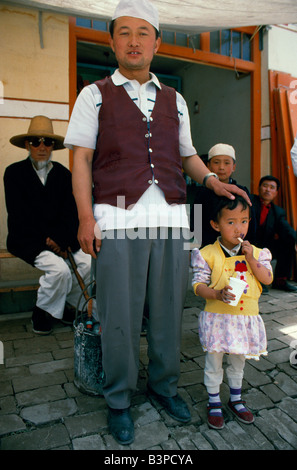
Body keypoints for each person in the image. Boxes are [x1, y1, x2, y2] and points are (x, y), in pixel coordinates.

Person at [64, 0, 250, 445]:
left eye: (142, 32)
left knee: (168, 313)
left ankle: (164, 388)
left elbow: (186, 155)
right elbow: (81, 160)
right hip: (116, 221)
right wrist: (86, 218)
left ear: (157, 41)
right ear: (111, 42)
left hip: (170, 220)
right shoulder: (94, 95)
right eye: (124, 32)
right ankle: (119, 400)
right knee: (120, 318)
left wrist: (210, 179)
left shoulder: (175, 98)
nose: (133, 41)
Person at [4, 115, 93, 335]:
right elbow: (19, 214)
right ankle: (42, 312)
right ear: (27, 145)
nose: (42, 147)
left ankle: (67, 307)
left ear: (53, 146)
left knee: (88, 263)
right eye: (36, 142)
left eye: (48, 142)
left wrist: (62, 241)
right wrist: (48, 240)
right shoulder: (14, 173)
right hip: (27, 239)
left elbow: (70, 214)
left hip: (61, 238)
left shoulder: (63, 175)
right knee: (59, 270)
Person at [191, 195, 272, 430]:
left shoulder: (257, 253)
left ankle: (236, 398)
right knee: (214, 361)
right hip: (218, 318)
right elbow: (197, 285)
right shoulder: (206, 253)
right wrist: (216, 294)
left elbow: (267, 278)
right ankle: (213, 400)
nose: (239, 228)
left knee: (238, 362)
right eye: (231, 222)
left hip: (245, 319)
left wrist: (250, 258)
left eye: (244, 221)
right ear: (215, 225)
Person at [190, 143, 255, 247]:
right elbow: (195, 224)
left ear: (234, 166)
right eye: (216, 162)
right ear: (208, 166)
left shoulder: (241, 191)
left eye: (226, 163)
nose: (221, 167)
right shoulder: (202, 194)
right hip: (209, 247)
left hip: (237, 246)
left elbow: (251, 222)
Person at [251, 175, 297, 292]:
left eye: (272, 187)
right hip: (248, 241)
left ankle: (280, 280)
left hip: (265, 245)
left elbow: (286, 229)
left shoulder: (278, 211)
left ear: (276, 192)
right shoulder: (250, 201)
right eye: (265, 186)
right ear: (259, 188)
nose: (268, 190)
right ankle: (255, 281)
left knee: (288, 241)